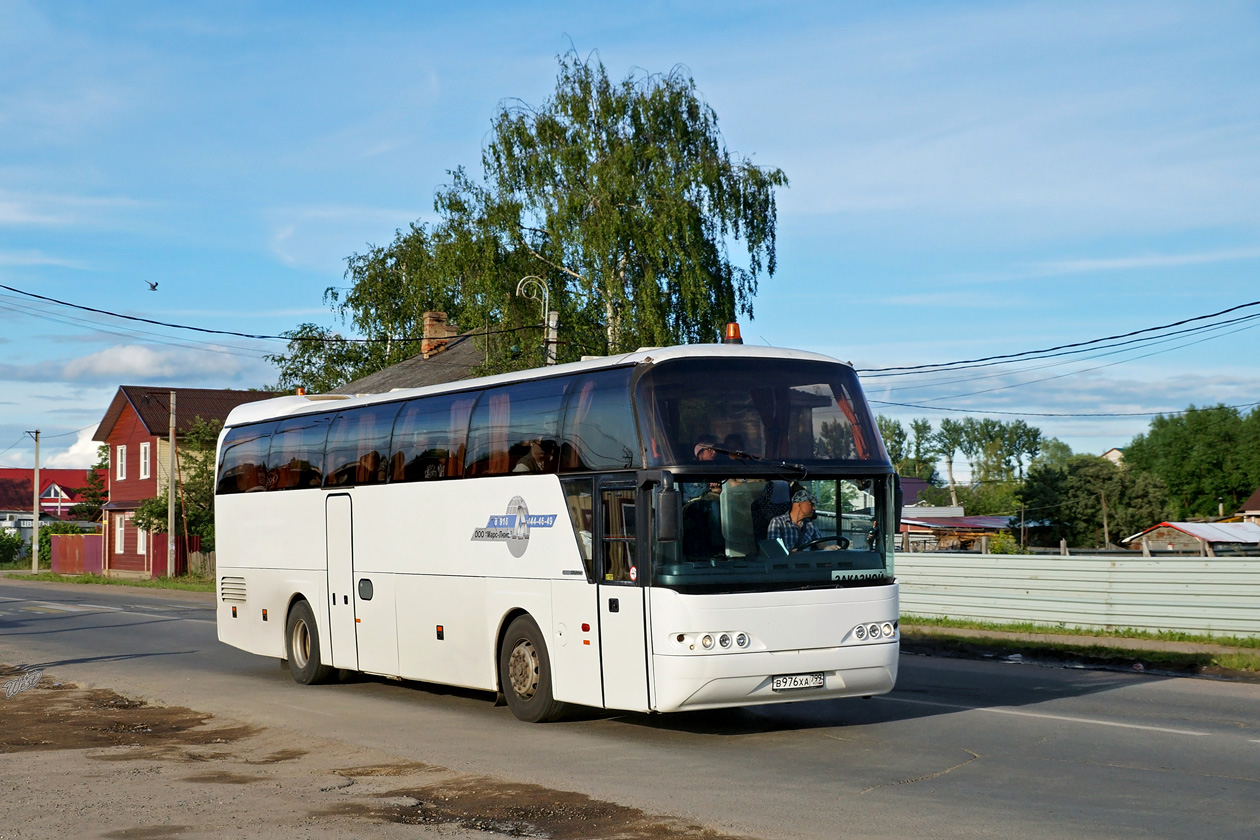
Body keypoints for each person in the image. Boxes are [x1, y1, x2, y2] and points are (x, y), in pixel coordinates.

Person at [766, 489, 836, 551]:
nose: (814, 508)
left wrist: (830, 548)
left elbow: (822, 545)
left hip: (807, 563)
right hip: (787, 564)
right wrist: (792, 553)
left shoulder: (810, 525)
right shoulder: (778, 522)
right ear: (799, 505)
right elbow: (774, 550)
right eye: (811, 504)